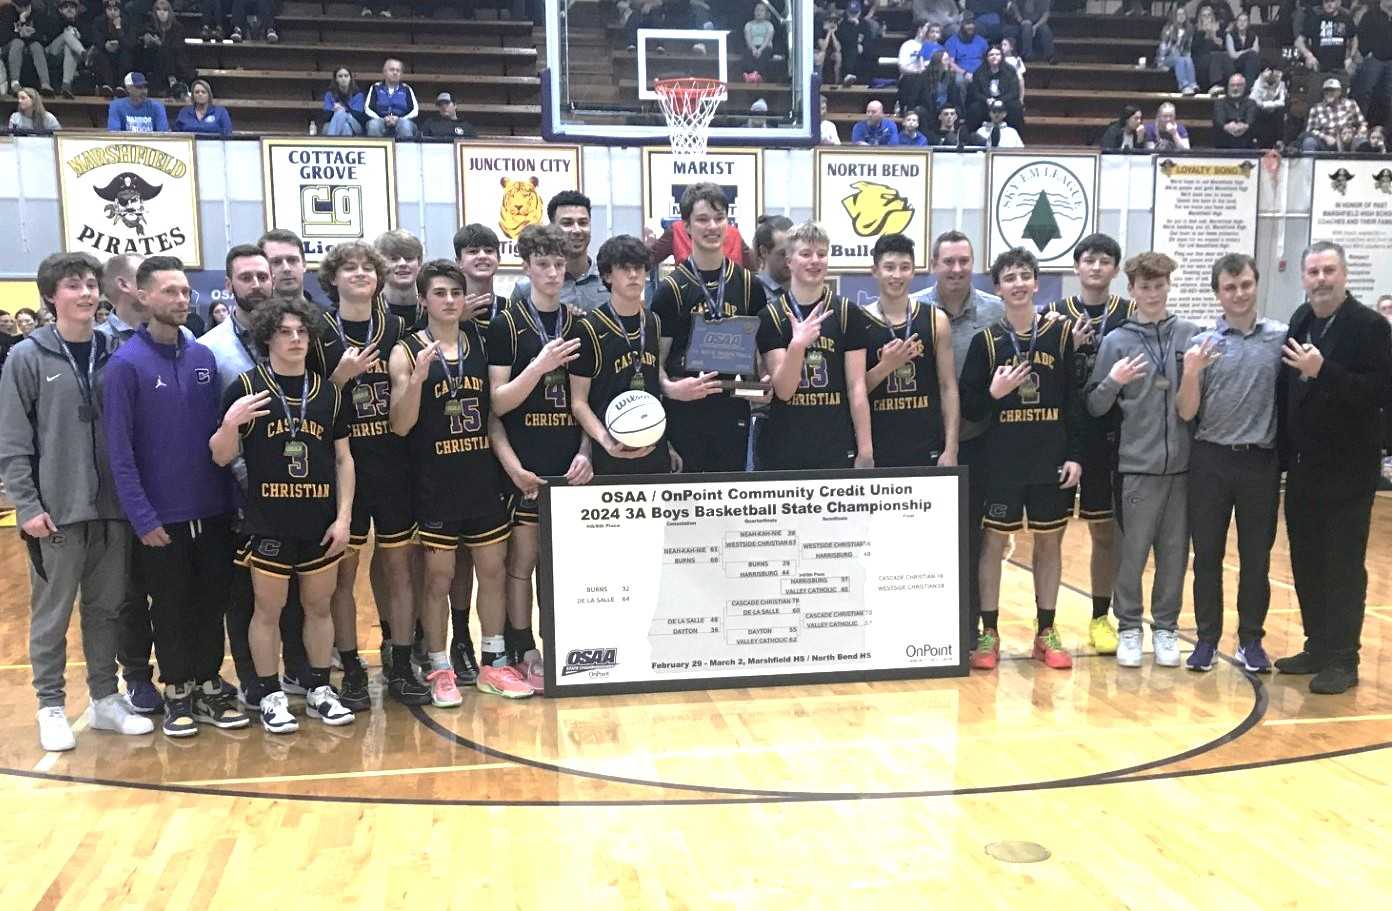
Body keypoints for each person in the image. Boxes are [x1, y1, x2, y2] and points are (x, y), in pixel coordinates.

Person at [0, 252, 154, 751]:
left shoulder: (118, 350)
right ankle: (49, 705)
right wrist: (27, 505)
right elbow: (14, 441)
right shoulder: (28, 356)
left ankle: (106, 699)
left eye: (91, 284)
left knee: (107, 609)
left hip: (113, 506)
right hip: (57, 511)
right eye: (73, 286)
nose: (86, 293)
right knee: (52, 613)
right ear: (50, 296)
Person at [102, 257, 246, 737]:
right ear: (143, 297)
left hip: (214, 509)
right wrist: (142, 517)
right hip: (162, 517)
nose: (182, 300)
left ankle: (207, 683)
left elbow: (218, 438)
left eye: (186, 292)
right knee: (169, 606)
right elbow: (120, 453)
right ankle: (177, 689)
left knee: (211, 603)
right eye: (169, 291)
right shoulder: (125, 365)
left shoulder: (203, 357)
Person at [212, 296, 356, 734]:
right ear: (267, 337)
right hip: (267, 520)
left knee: (318, 608)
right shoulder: (246, 387)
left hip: (320, 519)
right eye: (284, 332)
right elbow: (220, 457)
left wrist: (344, 517)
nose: (294, 339)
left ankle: (318, 689)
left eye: (301, 332)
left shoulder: (329, 392)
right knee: (267, 611)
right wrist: (230, 423)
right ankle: (270, 693)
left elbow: (344, 460)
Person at [390, 260, 524, 700]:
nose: (449, 300)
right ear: (424, 299)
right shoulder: (406, 350)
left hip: (480, 477)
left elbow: (491, 415)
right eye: (441, 293)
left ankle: (494, 661)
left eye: (456, 293)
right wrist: (416, 383)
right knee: (437, 579)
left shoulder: (480, 342)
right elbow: (400, 426)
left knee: (494, 572)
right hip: (432, 483)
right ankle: (438, 665)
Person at [1275, 241, 1392, 694]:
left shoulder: (1370, 327)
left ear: (1344, 276)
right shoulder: (1301, 320)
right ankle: (1317, 645)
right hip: (1304, 469)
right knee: (1306, 562)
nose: (1321, 279)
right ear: (1303, 278)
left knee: (1342, 564)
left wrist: (1325, 371)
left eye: (1328, 271)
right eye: (1313, 272)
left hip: (1349, 470)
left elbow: (1380, 394)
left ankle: (1344, 658)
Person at [959, 247, 1082, 671]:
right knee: (992, 544)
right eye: (1009, 277)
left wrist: (1076, 455)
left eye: (1024, 275)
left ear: (1036, 282)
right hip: (1002, 460)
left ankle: (1045, 630)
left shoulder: (1060, 336)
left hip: (1050, 458)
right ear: (997, 287)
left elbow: (1075, 402)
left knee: (1049, 542)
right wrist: (992, 395)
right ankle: (988, 632)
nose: (1017, 283)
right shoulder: (986, 342)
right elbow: (969, 407)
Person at [312, 241, 422, 709]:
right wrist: (341, 377)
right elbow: (307, 400)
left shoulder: (399, 328)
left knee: (399, 567)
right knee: (343, 572)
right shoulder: (317, 330)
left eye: (366, 267)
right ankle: (350, 663)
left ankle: (398, 657)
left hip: (393, 459)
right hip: (342, 461)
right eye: (349, 268)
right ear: (332, 279)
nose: (359, 273)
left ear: (378, 278)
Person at [486, 224, 593, 690]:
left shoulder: (579, 324)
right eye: (542, 264)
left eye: (558, 265)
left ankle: (561, 645)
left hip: (569, 462)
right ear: (526, 266)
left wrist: (588, 451)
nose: (552, 273)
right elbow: (499, 402)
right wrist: (540, 366)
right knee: (521, 564)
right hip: (523, 464)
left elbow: (588, 402)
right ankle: (522, 647)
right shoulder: (506, 322)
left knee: (563, 564)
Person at [1086, 252, 1200, 670]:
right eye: (1144, 287)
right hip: (1135, 466)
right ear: (1131, 290)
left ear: (1169, 286)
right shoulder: (1116, 340)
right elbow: (1095, 404)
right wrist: (1114, 381)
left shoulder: (1190, 333)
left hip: (1184, 467)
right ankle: (1130, 626)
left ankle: (1166, 628)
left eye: (1159, 286)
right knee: (1131, 553)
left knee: (1174, 554)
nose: (1152, 294)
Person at [1174, 253, 1284, 674]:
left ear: (1256, 285)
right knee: (1206, 556)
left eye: (1245, 285)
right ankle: (1206, 640)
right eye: (1229, 287)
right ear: (1217, 293)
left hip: (1260, 462)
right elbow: (1185, 413)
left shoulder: (1279, 337)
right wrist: (1190, 372)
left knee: (1257, 558)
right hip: (1210, 460)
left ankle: (1251, 640)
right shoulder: (1201, 341)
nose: (1238, 294)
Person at [1041, 234, 1132, 655]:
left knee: (1104, 532)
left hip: (1109, 436)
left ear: (1115, 269)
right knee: (1051, 533)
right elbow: (1040, 374)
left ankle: (1101, 617)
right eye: (1089, 260)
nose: (1096, 268)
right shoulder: (1054, 315)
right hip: (1060, 434)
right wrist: (1066, 349)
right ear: (1077, 267)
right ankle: (1048, 623)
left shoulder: (1130, 314)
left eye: (1105, 261)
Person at [652, 183, 770, 474]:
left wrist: (763, 388)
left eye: (719, 218)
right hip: (684, 414)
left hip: (733, 411)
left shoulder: (749, 285)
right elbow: (655, 361)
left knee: (726, 510)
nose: (713, 226)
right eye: (703, 219)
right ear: (687, 226)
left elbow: (759, 362)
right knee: (684, 514)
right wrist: (670, 388)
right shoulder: (670, 290)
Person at [754, 221, 870, 471]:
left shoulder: (847, 313)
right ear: (789, 261)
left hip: (836, 447)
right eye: (805, 254)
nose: (814, 261)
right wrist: (798, 345)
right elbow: (784, 390)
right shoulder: (770, 316)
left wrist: (866, 449)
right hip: (784, 449)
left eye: (821, 254)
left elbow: (857, 386)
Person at [567, 234, 680, 475]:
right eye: (625, 268)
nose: (634, 275)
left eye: (639, 268)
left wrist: (666, 442)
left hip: (653, 449)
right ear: (607, 275)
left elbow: (653, 383)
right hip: (610, 453)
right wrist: (605, 441)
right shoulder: (588, 328)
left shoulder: (653, 322)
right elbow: (578, 402)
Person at [847, 233, 959, 470]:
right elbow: (854, 390)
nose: (897, 275)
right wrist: (885, 366)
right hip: (879, 450)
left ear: (914, 271)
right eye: (889, 267)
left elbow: (948, 387)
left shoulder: (936, 320)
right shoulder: (857, 320)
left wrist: (951, 449)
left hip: (926, 447)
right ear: (874, 270)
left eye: (904, 267)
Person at [511, 191, 609, 313]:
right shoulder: (527, 288)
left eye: (583, 223)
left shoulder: (610, 281)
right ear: (552, 227)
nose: (577, 230)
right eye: (567, 223)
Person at [137, 0, 194, 101]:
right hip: (154, 62)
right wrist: (148, 43)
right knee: (160, 52)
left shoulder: (177, 27)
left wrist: (161, 45)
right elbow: (142, 48)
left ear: (169, 12)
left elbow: (179, 47)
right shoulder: (149, 27)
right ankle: (172, 81)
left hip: (175, 61)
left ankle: (171, 80)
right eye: (158, 10)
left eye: (165, 10)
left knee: (166, 51)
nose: (162, 13)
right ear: (155, 12)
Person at [1296, 0, 1357, 82]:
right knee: (1316, 93)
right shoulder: (1314, 19)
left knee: (1340, 94)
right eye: (1326, 1)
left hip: (1340, 69)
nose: (1329, 4)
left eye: (1332, 1)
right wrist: (1308, 55)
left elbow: (1354, 38)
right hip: (1318, 69)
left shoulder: (1346, 19)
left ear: (1339, 2)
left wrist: (1350, 58)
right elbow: (1299, 42)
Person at [967, 44, 1024, 131]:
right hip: (986, 101)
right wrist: (986, 100)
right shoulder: (979, 72)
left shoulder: (1010, 70)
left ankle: (1016, 136)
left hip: (1005, 101)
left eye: (997, 54)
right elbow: (975, 92)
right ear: (986, 57)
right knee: (974, 108)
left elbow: (1014, 91)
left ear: (1002, 56)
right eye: (991, 55)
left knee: (1016, 107)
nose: (994, 57)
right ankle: (973, 138)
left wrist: (1001, 100)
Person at [375, 229, 424, 327]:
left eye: (409, 258)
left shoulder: (432, 308)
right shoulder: (369, 309)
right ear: (379, 265)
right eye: (394, 259)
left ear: (419, 263)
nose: (402, 263)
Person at [4, 0, 55, 97]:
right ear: (14, 5)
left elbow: (44, 37)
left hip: (31, 45)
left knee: (36, 46)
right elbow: (3, 37)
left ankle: (45, 84)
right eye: (20, 6)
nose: (23, 9)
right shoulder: (8, 13)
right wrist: (19, 33)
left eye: (26, 6)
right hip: (11, 46)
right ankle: (15, 84)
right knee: (18, 43)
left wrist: (30, 35)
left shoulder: (37, 13)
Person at [1300, 77, 1366, 150]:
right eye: (1326, 91)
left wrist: (1359, 133)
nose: (1329, 93)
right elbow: (1310, 131)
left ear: (1339, 92)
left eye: (1332, 90)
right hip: (1326, 141)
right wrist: (1325, 137)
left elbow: (1362, 123)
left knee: (1363, 143)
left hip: (1349, 139)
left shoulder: (1350, 104)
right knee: (1309, 142)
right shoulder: (1316, 108)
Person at [1354, 0, 1392, 128]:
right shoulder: (1370, 15)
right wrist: (1367, 53)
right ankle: (1360, 126)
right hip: (1374, 60)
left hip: (1391, 63)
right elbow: (1360, 34)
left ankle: (1387, 131)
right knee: (1365, 93)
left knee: (1389, 97)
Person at [91, 0, 137, 99]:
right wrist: (105, 45)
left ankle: (121, 86)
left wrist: (119, 28)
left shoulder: (127, 21)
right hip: (105, 51)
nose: (112, 12)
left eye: (115, 10)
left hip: (122, 51)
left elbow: (130, 44)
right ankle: (108, 86)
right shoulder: (98, 21)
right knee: (99, 54)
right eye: (109, 9)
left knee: (126, 55)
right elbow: (96, 39)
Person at [365, 57, 419, 139]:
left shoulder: (407, 89)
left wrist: (399, 119)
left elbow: (415, 111)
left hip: (402, 121)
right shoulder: (375, 87)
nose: (395, 73)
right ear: (384, 72)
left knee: (405, 125)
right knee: (373, 125)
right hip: (381, 120)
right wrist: (383, 119)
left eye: (398, 70)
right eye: (392, 70)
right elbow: (368, 108)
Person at [46, 0, 90, 99]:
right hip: (52, 53)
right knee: (67, 34)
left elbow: (89, 40)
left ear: (77, 10)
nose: (69, 9)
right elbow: (48, 38)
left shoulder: (81, 23)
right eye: (66, 7)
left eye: (72, 7)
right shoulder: (54, 20)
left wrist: (79, 35)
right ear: (60, 10)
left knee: (69, 48)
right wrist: (67, 25)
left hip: (70, 55)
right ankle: (84, 55)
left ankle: (66, 85)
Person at [1157, 6, 1199, 95]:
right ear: (1174, 16)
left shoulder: (1189, 29)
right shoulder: (1168, 29)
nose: (1181, 16)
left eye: (1183, 14)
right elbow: (1163, 46)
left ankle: (1192, 84)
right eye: (1178, 14)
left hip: (1181, 56)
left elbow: (1188, 49)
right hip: (1167, 58)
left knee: (1188, 59)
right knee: (1179, 58)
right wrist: (1161, 63)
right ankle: (1184, 85)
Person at [945, 13, 988, 94]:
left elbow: (987, 59)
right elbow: (951, 62)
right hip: (962, 72)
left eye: (972, 23)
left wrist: (981, 73)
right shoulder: (952, 41)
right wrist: (964, 73)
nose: (970, 26)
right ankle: (961, 106)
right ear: (961, 24)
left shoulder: (982, 41)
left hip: (980, 72)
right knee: (959, 81)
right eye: (967, 24)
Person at [1213, 72, 1257, 149]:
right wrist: (1228, 127)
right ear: (1228, 87)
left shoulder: (1251, 103)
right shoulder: (1220, 102)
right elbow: (1219, 120)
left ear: (1244, 86)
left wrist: (1243, 127)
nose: (1235, 88)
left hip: (1246, 144)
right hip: (1224, 143)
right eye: (1232, 85)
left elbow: (1251, 120)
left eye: (1239, 85)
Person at [753, 213, 793, 297]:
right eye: (783, 254)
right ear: (764, 252)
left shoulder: (802, 289)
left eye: (793, 252)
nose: (790, 260)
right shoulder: (752, 293)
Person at [836, 0, 874, 86]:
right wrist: (854, 27)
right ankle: (848, 77)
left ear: (860, 12)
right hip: (846, 53)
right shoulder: (842, 24)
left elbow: (868, 42)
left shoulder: (865, 24)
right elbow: (844, 40)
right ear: (847, 12)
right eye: (851, 13)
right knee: (852, 50)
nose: (853, 15)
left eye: (855, 13)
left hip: (862, 57)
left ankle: (860, 80)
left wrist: (861, 46)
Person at [321, 67, 367, 136]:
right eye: (340, 76)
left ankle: (330, 144)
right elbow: (325, 117)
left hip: (355, 124)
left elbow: (358, 116)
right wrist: (333, 110)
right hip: (334, 122)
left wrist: (344, 110)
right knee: (345, 127)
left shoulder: (358, 94)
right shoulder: (329, 94)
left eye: (346, 76)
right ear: (336, 79)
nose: (343, 78)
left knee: (341, 113)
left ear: (350, 78)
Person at [1250, 65, 1288, 149]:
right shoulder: (1258, 83)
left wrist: (1266, 104)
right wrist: (1266, 104)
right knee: (1253, 111)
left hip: (1275, 112)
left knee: (1281, 112)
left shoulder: (1281, 83)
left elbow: (1282, 102)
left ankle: (1279, 141)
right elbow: (1254, 101)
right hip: (1260, 113)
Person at [742, 1, 780, 82]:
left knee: (764, 55)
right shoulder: (748, 25)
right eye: (757, 10)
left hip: (765, 47)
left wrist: (760, 49)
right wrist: (753, 48)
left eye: (761, 10)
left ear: (766, 13)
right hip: (752, 46)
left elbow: (768, 39)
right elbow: (748, 38)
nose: (759, 12)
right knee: (746, 53)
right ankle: (748, 74)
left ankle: (757, 74)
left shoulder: (769, 25)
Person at [1222, 11, 1261, 88]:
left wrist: (1245, 53)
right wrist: (1247, 51)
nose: (1242, 23)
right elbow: (1233, 55)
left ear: (1248, 23)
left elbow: (1256, 51)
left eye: (1245, 21)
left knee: (1252, 58)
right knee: (1251, 56)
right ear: (1236, 23)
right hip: (1235, 64)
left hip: (1250, 63)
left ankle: (1249, 86)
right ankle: (1250, 87)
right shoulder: (1230, 35)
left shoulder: (1253, 36)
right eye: (1240, 20)